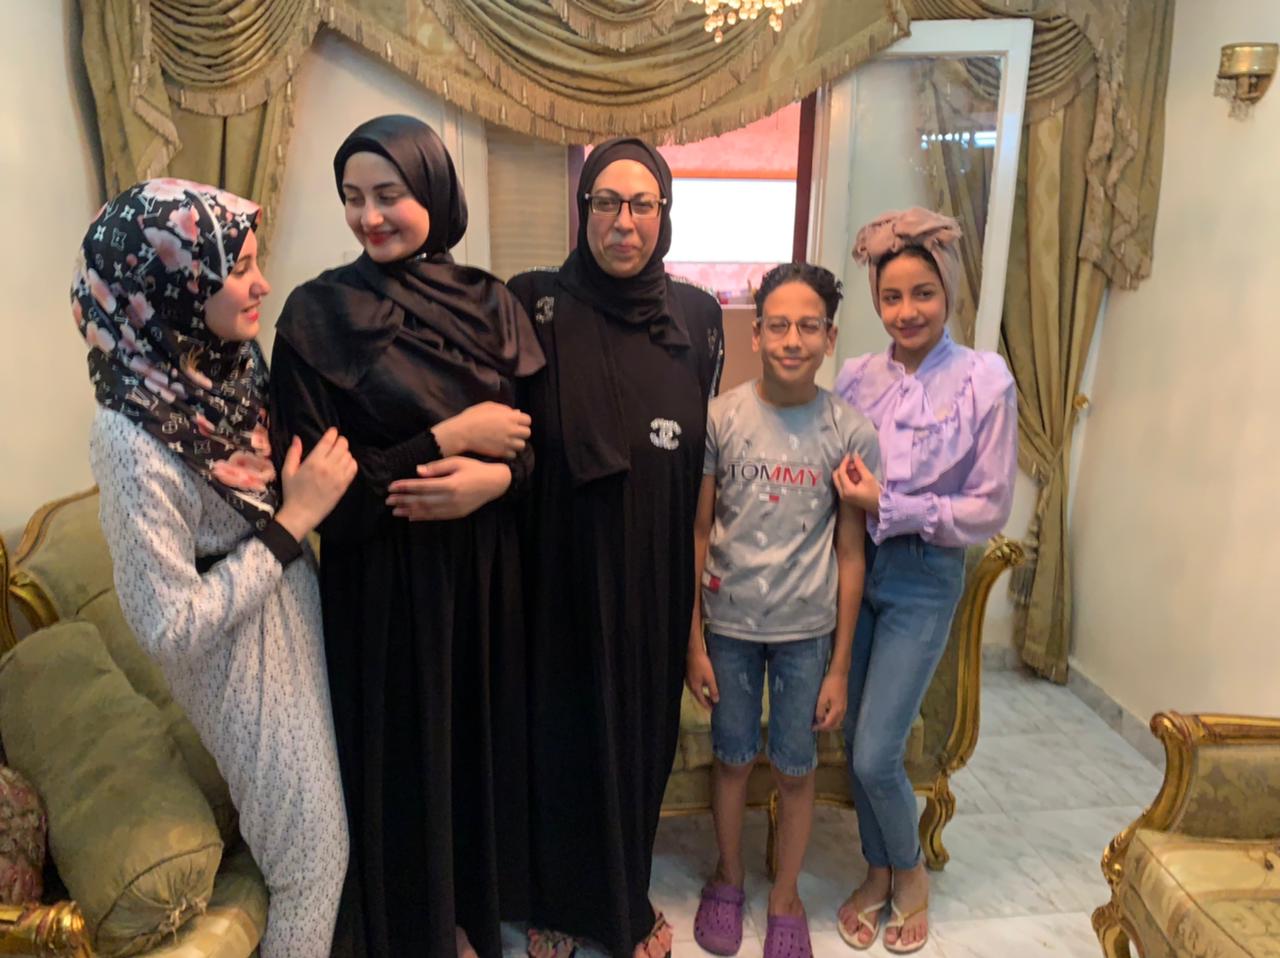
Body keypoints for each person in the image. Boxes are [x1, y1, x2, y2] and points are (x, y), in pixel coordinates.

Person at [268, 115, 544, 958]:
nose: (369, 216)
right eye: (353, 197)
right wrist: (445, 439)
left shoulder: (495, 304)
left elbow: (536, 450)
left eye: (389, 194)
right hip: (384, 587)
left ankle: (467, 922)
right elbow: (323, 496)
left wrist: (499, 480)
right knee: (402, 766)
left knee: (476, 758)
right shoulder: (316, 315)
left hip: (484, 578)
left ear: (434, 191)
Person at [77, 178, 353, 957]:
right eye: (238, 269)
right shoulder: (129, 436)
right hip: (233, 644)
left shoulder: (220, 364)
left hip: (290, 593)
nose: (262, 284)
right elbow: (168, 626)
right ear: (171, 282)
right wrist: (293, 523)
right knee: (311, 862)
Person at [506, 137, 724, 958]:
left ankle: (624, 900)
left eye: (641, 204)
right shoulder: (532, 301)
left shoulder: (698, 317)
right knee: (559, 738)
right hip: (557, 566)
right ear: (583, 208)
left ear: (664, 214)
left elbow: (700, 462)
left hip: (653, 573)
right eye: (606, 202)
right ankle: (556, 907)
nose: (623, 222)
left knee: (640, 742)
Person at [831, 208, 1016, 954]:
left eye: (923, 294)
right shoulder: (856, 376)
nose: (906, 311)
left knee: (878, 750)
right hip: (852, 566)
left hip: (922, 576)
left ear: (949, 294)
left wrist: (894, 504)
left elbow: (988, 506)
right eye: (891, 296)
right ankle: (876, 869)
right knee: (852, 734)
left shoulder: (983, 380)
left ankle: (909, 873)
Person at [685, 263, 880, 958]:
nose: (792, 340)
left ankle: (787, 894)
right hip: (730, 629)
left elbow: (851, 554)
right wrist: (694, 642)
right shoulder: (720, 418)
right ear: (756, 333)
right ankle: (729, 877)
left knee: (796, 770)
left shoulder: (849, 431)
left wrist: (840, 668)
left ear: (830, 337)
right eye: (778, 325)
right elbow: (698, 532)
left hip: (806, 636)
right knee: (734, 759)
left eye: (807, 327)